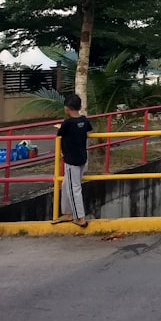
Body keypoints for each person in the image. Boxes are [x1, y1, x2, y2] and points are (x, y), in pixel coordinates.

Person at [52, 93, 92, 227]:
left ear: (66, 108)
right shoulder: (84, 120)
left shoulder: (67, 123)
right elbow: (87, 130)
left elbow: (60, 134)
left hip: (71, 160)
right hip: (82, 158)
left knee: (73, 188)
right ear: (80, 106)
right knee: (66, 185)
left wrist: (60, 127)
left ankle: (80, 218)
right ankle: (68, 212)